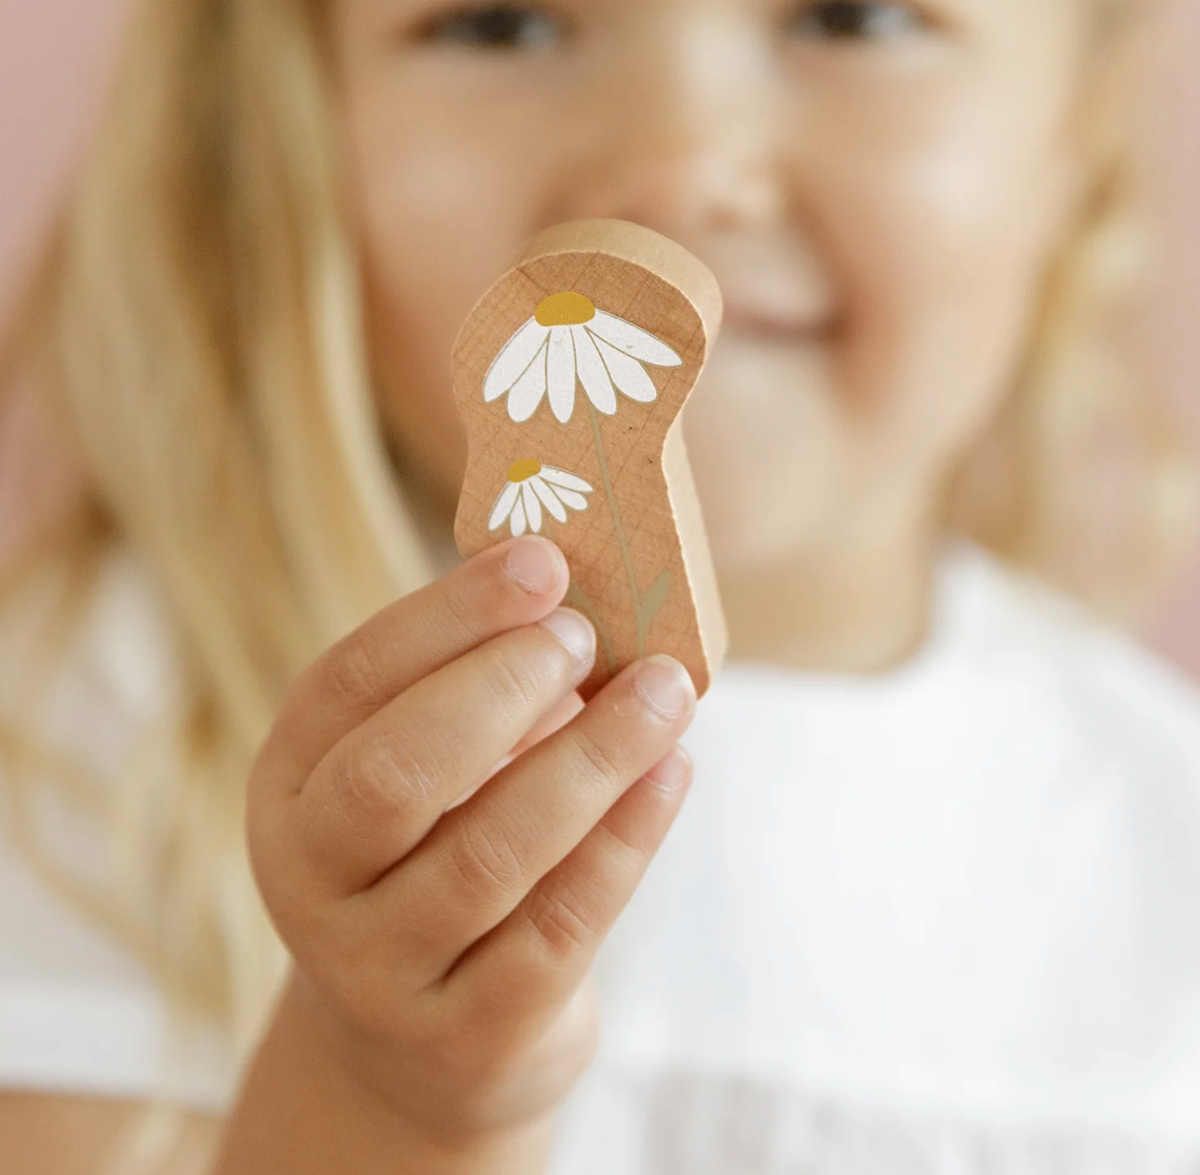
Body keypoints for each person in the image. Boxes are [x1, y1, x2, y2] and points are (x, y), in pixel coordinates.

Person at [3, 0, 1200, 1171]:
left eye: (855, 19)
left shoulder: (1166, 827)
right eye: (500, 26)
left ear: (1077, 136)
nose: (676, 171)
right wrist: (387, 1096)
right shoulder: (108, 734)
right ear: (281, 123)